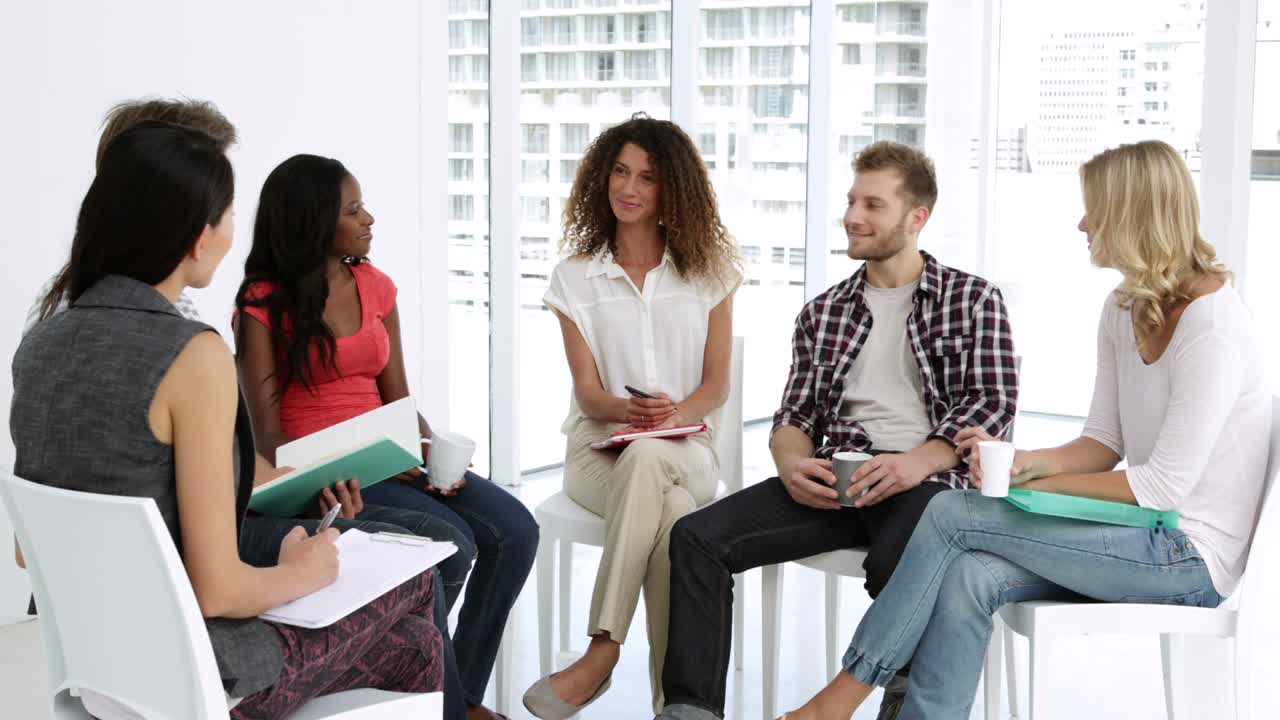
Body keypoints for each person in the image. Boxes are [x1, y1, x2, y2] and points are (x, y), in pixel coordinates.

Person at [772, 139, 1271, 719]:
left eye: (1094, 209)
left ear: (1133, 213)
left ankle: (835, 701)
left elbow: (1161, 489)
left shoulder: (1213, 328)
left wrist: (1021, 492)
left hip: (1187, 559)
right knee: (968, 573)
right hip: (1140, 534)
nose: (1082, 223)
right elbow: (1102, 443)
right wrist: (1024, 460)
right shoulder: (1123, 307)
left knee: (953, 512)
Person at [10, 121, 445, 719]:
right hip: (198, 675)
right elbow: (218, 588)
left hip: (95, 668)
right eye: (228, 214)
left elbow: (28, 552)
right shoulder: (192, 353)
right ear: (198, 235)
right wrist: (303, 571)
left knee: (411, 638)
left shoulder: (41, 344)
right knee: (416, 593)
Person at [657, 141, 1019, 720]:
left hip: (927, 484)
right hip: (837, 475)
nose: (853, 215)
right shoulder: (824, 311)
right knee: (696, 538)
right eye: (852, 200)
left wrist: (916, 462)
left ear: (916, 217)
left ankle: (904, 696)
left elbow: (992, 406)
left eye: (873, 204)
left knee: (898, 559)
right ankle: (690, 711)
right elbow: (794, 415)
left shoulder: (974, 300)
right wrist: (790, 463)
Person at [233, 153, 538, 720]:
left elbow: (398, 398)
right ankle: (439, 701)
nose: (369, 218)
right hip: (325, 472)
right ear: (314, 223)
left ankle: (462, 695)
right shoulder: (261, 306)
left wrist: (429, 456)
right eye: (354, 210)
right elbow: (268, 435)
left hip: (391, 455)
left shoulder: (377, 287)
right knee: (452, 541)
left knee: (516, 529)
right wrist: (354, 457)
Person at [521, 114, 742, 719]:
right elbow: (589, 396)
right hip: (597, 452)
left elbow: (717, 384)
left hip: (689, 450)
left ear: (672, 189)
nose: (630, 187)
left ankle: (601, 648)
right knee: (671, 520)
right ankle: (678, 706)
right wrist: (628, 410)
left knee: (652, 459)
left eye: (646, 176)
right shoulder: (574, 278)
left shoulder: (711, 271)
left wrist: (675, 414)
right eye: (620, 171)